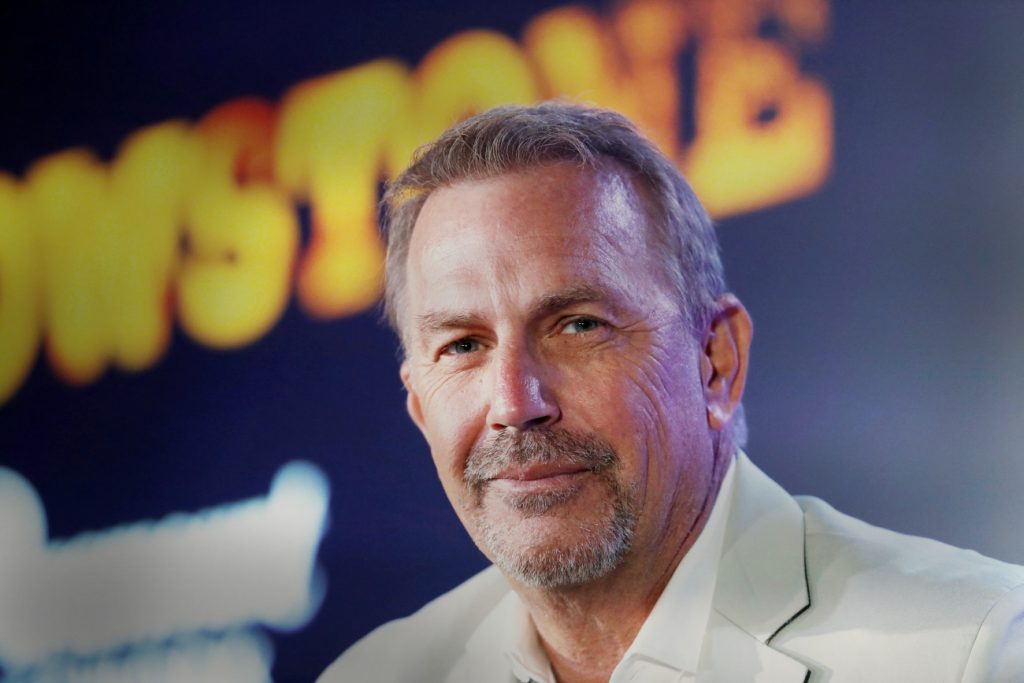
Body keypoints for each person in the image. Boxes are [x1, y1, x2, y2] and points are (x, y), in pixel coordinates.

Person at [318, 103, 1024, 682]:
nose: (514, 403)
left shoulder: (976, 649)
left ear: (716, 361)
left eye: (578, 325)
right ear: (419, 407)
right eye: (463, 345)